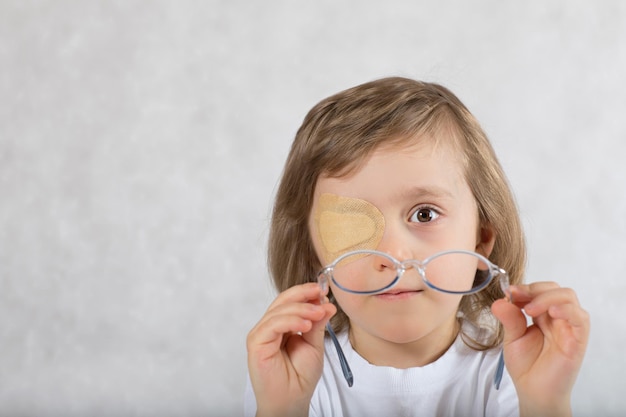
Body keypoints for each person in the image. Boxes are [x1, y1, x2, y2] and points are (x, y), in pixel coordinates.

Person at [245, 77, 589, 417]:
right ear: (312, 254)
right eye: (352, 224)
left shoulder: (520, 371)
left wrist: (545, 405)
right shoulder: (291, 376)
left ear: (481, 239)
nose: (395, 256)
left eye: (425, 214)